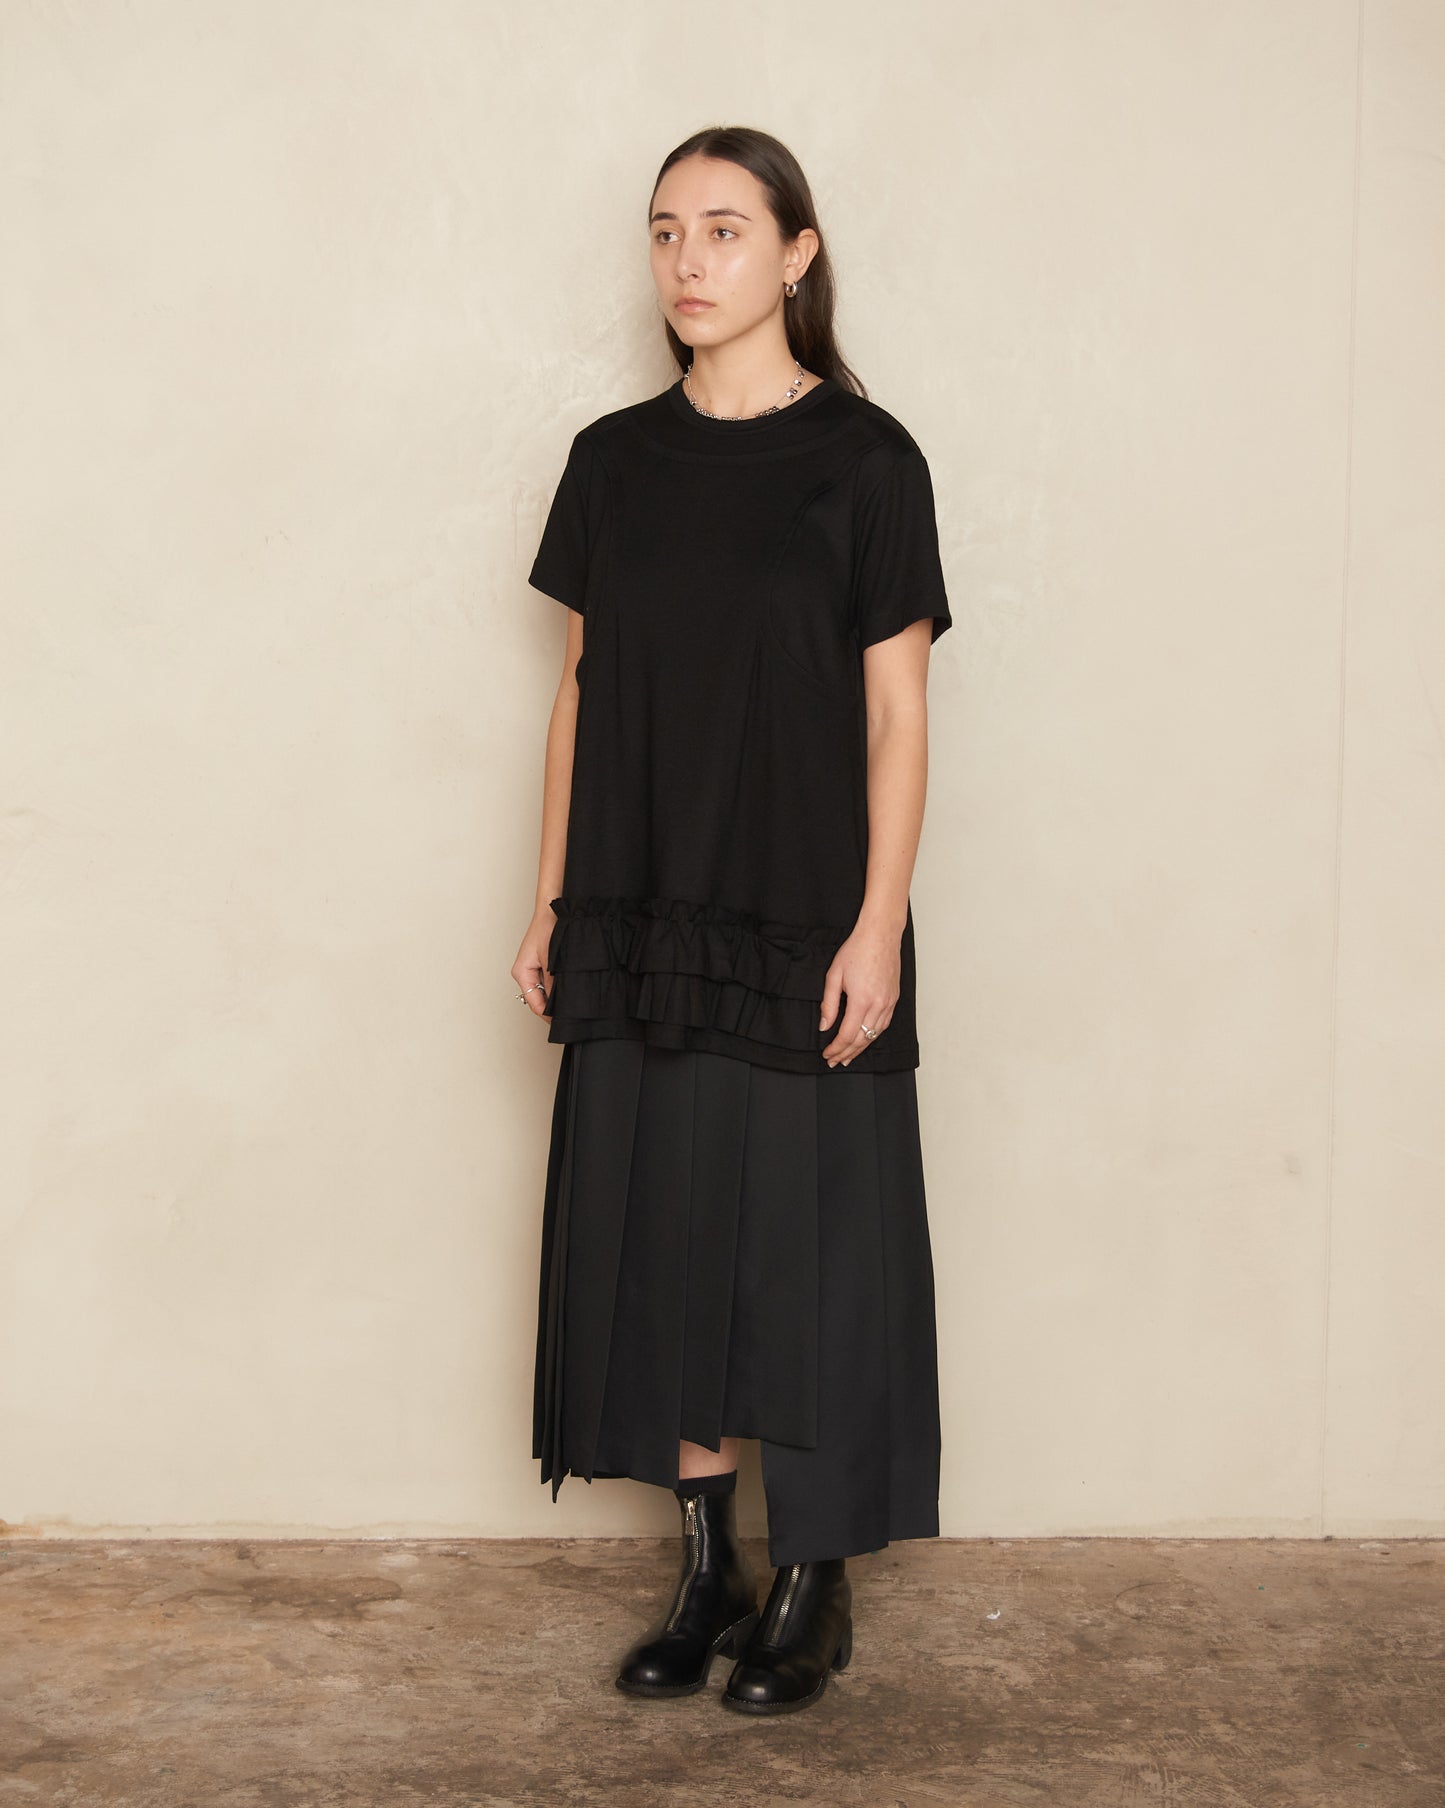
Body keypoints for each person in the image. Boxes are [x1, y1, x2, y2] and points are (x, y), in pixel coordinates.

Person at [512, 124, 952, 1717]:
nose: (687, 261)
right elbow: (581, 690)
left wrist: (877, 924)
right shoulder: (611, 462)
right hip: (642, 901)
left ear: (795, 253)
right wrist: (551, 900)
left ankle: (813, 1586)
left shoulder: (868, 462)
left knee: (812, 1247)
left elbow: (896, 712)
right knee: (669, 1230)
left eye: (722, 229)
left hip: (802, 906)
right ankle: (707, 1572)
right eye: (663, 232)